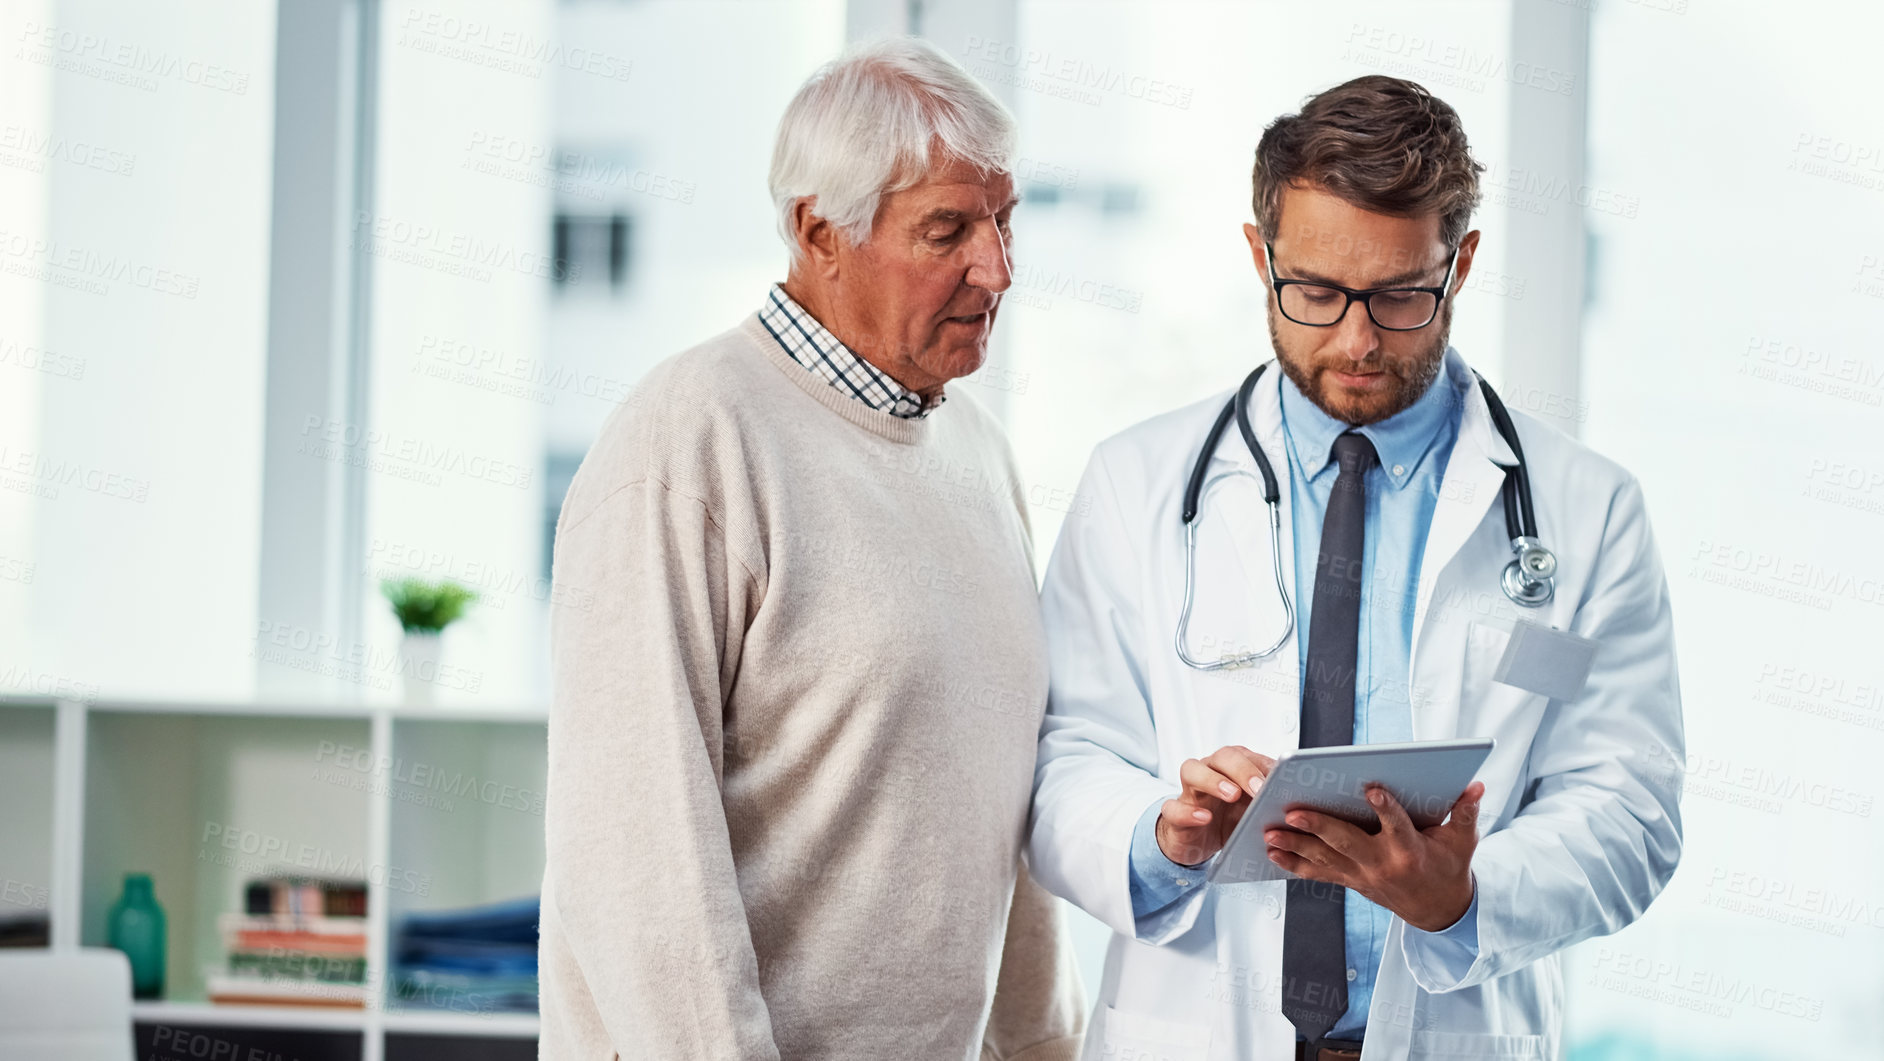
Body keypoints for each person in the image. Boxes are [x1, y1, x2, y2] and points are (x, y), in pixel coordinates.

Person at [1025, 75, 1684, 1061]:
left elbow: (1630, 809)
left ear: (1459, 264)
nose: (1357, 340)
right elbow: (1062, 760)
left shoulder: (1589, 510)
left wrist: (1464, 896)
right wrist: (1161, 837)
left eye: (1399, 295)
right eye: (1318, 292)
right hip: (1193, 1026)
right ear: (1260, 257)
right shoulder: (1136, 484)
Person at [539, 38, 1083, 1061]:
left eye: (1005, 221)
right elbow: (633, 858)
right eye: (948, 229)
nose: (996, 267)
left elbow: (1005, 808)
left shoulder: (976, 451)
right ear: (819, 231)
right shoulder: (688, 441)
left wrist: (1047, 1046)